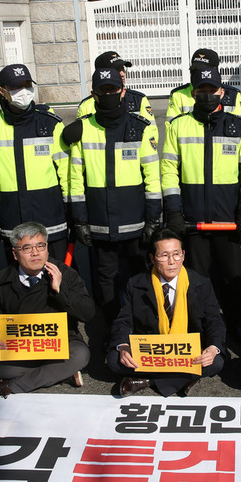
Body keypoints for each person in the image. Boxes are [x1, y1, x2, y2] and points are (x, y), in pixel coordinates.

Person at [161, 65, 241, 332]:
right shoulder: (178, 126)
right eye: (201, 90)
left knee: (230, 278)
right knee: (196, 279)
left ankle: (234, 327)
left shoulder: (238, 127)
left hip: (228, 220)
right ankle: (200, 329)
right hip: (192, 220)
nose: (206, 95)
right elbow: (168, 171)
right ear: (193, 93)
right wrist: (174, 213)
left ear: (221, 92)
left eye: (211, 90)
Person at [66, 67, 160, 326]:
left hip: (135, 223)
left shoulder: (140, 128)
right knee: (104, 280)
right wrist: (80, 220)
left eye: (113, 90)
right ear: (94, 95)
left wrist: (153, 218)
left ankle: (140, 325)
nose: (108, 94)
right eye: (103, 91)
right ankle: (110, 328)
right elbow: (76, 180)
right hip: (99, 223)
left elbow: (152, 176)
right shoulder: (82, 129)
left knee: (137, 277)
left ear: (123, 92)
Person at [0, 222, 95, 399]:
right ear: (15, 254)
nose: (35, 253)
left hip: (60, 346)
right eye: (27, 248)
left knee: (81, 355)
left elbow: (88, 313)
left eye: (40, 246)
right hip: (20, 348)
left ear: (47, 249)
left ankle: (10, 386)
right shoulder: (0, 280)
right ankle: (58, 374)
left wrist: (60, 291)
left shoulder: (65, 274)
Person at [108, 228, 226, 397]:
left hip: (187, 350)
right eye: (164, 255)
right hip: (153, 350)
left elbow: (214, 320)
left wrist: (213, 348)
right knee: (114, 359)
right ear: (152, 258)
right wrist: (124, 346)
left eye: (176, 254)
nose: (172, 261)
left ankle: (147, 381)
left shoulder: (201, 283)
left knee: (217, 361)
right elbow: (123, 321)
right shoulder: (135, 284)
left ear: (183, 255)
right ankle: (185, 378)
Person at [0, 64, 70, 260]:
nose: (23, 91)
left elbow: (66, 172)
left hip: (50, 217)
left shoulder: (50, 123)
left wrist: (72, 210)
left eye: (27, 85)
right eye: (16, 87)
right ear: (2, 92)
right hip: (12, 218)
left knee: (57, 275)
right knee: (20, 280)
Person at [165, 48, 241, 125]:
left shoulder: (232, 94)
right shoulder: (178, 95)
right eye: (194, 70)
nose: (197, 74)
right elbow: (171, 127)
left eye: (203, 71)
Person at [75, 51, 154, 123]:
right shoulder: (86, 105)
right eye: (116, 70)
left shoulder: (138, 100)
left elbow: (150, 130)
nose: (122, 74)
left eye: (122, 68)